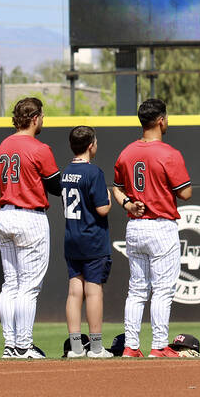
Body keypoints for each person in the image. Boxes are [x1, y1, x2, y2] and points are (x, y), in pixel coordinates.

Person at [111, 98, 192, 358]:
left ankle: (131, 347)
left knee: (136, 290)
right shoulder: (169, 153)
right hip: (160, 226)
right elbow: (186, 192)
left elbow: (117, 187)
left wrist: (127, 202)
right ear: (160, 120)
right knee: (162, 289)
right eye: (166, 118)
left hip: (135, 226)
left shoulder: (127, 152)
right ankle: (158, 346)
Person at [0, 97, 61, 359]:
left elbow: (0, 182)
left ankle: (11, 345)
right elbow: (55, 187)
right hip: (29, 216)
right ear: (34, 118)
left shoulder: (3, 146)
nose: (42, 120)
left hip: (5, 214)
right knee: (28, 287)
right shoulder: (39, 147)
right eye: (41, 116)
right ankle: (23, 345)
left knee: (10, 285)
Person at [61, 125, 114, 359]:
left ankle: (75, 347)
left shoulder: (66, 171)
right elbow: (102, 209)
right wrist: (110, 198)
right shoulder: (94, 173)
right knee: (93, 293)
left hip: (72, 239)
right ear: (91, 145)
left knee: (74, 292)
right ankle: (95, 347)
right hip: (92, 239)